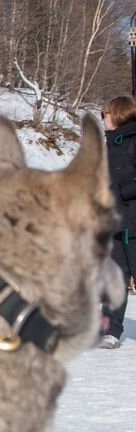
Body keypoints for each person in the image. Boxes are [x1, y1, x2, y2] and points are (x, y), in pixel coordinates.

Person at [101, 96, 136, 349]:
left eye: (107, 113)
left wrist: (123, 192)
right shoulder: (108, 144)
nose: (104, 117)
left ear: (120, 115)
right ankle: (112, 331)